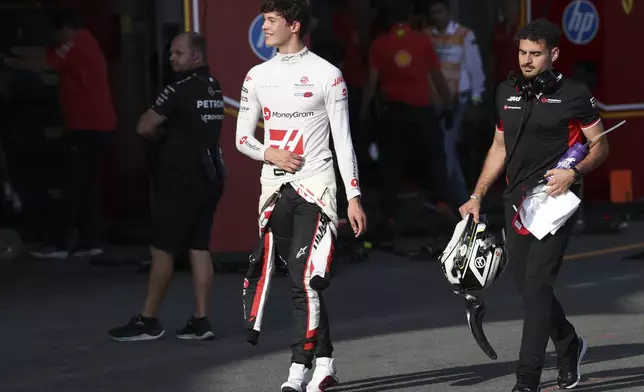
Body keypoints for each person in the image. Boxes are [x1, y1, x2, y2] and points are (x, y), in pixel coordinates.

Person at [459, 20, 609, 392]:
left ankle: (526, 381)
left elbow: (601, 146)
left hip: (556, 199)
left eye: (535, 54)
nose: (527, 60)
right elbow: (499, 148)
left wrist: (572, 174)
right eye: (523, 52)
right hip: (515, 201)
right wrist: (477, 194)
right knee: (527, 287)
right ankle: (569, 344)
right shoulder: (506, 91)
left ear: (553, 54)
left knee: (538, 286)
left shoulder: (575, 94)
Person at [235, 1, 367, 391]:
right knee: (300, 278)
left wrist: (353, 197)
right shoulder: (257, 75)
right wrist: (269, 152)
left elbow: (343, 142)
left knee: (305, 280)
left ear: (294, 25)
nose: (264, 29)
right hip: (274, 191)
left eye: (271, 21)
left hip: (317, 187)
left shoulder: (328, 74)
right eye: (263, 21)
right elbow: (242, 137)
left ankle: (298, 370)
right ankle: (325, 362)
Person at [108, 32, 225, 342]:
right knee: (199, 246)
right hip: (211, 174)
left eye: (178, 53)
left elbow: (143, 126)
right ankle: (201, 321)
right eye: (171, 52)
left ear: (196, 56)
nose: (172, 58)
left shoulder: (178, 89)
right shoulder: (214, 86)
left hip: (180, 178)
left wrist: (161, 139)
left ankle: (148, 320)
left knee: (162, 248)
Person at [3, 8, 116, 258]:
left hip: (87, 127)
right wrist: (13, 54)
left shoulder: (77, 43)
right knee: (86, 186)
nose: (52, 39)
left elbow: (43, 63)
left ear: (64, 29)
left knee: (72, 184)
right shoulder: (81, 44)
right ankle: (90, 241)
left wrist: (8, 62)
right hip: (96, 127)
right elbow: (44, 55)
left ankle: (58, 243)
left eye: (53, 33)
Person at [360, 0, 454, 245]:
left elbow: (371, 83)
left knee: (390, 167)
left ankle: (389, 217)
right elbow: (437, 76)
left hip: (395, 115)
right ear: (411, 16)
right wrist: (449, 105)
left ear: (388, 19)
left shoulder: (380, 44)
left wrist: (363, 113)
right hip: (422, 112)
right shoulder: (422, 40)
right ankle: (443, 206)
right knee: (435, 159)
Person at [425, 0, 486, 206]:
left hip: (457, 100)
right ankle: (458, 201)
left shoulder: (464, 35)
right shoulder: (427, 36)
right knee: (444, 150)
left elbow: (475, 69)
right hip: (435, 102)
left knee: (447, 149)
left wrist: (476, 102)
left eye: (439, 11)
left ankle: (454, 200)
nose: (436, 16)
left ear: (448, 12)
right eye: (433, 12)